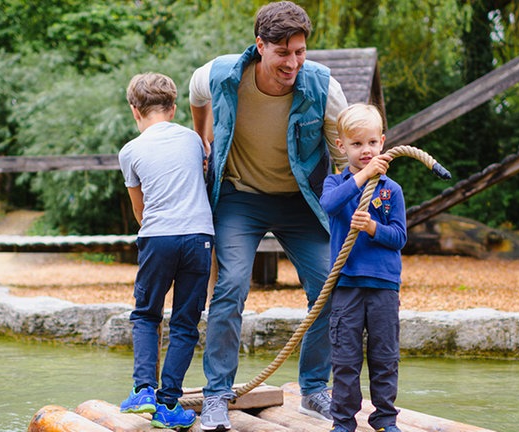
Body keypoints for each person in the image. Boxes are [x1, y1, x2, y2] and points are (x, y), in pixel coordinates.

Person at [188, 1, 348, 430]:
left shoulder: (324, 88)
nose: (293, 62)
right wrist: (202, 138)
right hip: (241, 197)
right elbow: (195, 92)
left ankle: (315, 389)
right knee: (232, 284)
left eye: (299, 51)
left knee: (329, 287)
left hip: (301, 200)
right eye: (283, 52)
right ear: (260, 46)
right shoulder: (221, 73)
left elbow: (344, 153)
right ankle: (218, 394)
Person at [117, 72, 214, 429]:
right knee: (186, 322)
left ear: (134, 110)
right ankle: (168, 403)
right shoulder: (192, 140)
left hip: (158, 237)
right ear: (173, 109)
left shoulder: (130, 151)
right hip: (200, 236)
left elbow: (140, 212)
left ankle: (143, 390)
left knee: (146, 314)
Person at [319, 103, 405, 432]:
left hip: (383, 285)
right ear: (342, 146)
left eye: (371, 143)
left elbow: (398, 237)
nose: (365, 150)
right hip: (346, 285)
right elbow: (328, 205)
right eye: (357, 144)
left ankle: (384, 417)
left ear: (382, 142)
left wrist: (372, 228)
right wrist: (364, 176)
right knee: (344, 358)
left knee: (384, 356)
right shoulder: (334, 185)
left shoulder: (391, 190)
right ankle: (343, 421)